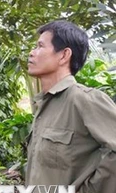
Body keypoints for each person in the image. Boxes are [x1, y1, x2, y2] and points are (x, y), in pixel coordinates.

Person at [25, 20, 116, 193]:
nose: (32, 53)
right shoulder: (44, 105)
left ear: (64, 55)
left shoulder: (84, 100)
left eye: (40, 46)